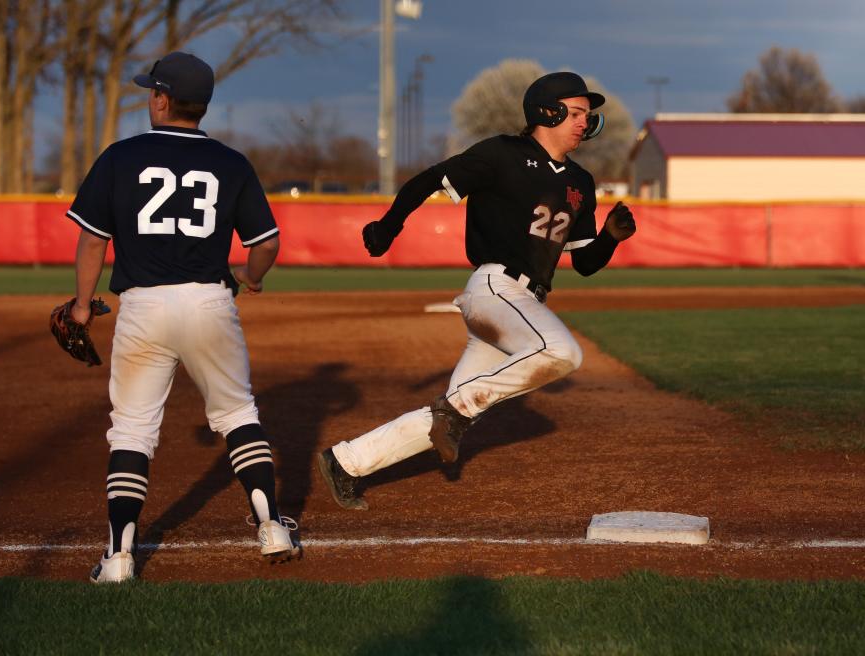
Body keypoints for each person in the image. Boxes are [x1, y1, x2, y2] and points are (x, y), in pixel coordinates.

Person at [317, 72, 636, 510]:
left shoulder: (580, 181)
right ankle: (457, 409)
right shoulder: (504, 153)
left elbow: (583, 263)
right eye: (577, 112)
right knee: (563, 354)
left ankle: (348, 461)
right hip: (496, 288)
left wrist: (610, 239)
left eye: (587, 115)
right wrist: (390, 225)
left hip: (521, 303)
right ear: (549, 111)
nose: (586, 121)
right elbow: (427, 179)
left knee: (450, 415)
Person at [65, 51, 297, 583]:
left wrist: (82, 305)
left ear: (163, 99)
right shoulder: (232, 161)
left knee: (132, 430)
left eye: (153, 91)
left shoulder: (121, 157)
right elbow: (266, 243)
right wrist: (252, 278)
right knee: (238, 415)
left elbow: (93, 239)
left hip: (143, 306)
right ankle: (272, 528)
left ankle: (120, 558)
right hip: (209, 301)